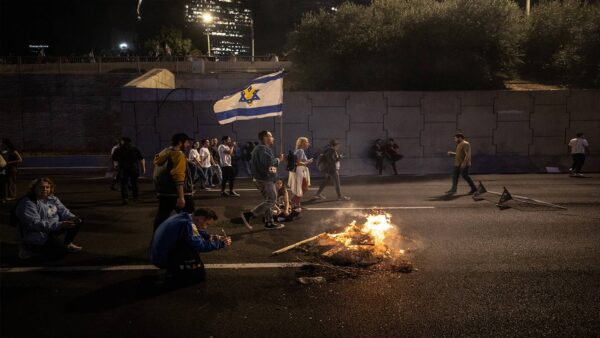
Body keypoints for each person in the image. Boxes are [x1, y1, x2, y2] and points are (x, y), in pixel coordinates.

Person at [150, 208, 231, 283]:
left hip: (156, 253)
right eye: (207, 224)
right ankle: (176, 272)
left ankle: (176, 270)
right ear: (201, 218)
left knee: (190, 241)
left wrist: (211, 237)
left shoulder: (184, 216)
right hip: (161, 259)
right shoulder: (187, 224)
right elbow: (200, 245)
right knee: (198, 270)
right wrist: (221, 244)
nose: (206, 227)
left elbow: (195, 230)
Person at [15, 177, 83, 260]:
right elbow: (35, 224)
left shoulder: (52, 199)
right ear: (34, 189)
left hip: (51, 228)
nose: (45, 189)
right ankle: (28, 248)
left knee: (77, 221)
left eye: (47, 187)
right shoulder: (28, 203)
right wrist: (61, 224)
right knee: (61, 253)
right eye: (41, 187)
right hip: (37, 233)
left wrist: (73, 218)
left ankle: (67, 243)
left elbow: (64, 211)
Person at [240, 130, 285, 230]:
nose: (273, 138)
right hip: (265, 179)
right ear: (265, 138)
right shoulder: (263, 149)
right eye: (271, 136)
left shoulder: (260, 149)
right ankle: (249, 214)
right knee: (272, 200)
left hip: (263, 178)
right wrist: (278, 159)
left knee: (268, 200)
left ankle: (269, 222)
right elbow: (268, 163)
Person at [153, 133, 195, 231]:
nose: (188, 145)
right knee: (190, 218)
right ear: (180, 142)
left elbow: (156, 175)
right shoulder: (178, 154)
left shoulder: (164, 152)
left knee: (161, 218)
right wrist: (181, 197)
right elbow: (179, 176)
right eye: (187, 142)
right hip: (179, 194)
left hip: (164, 194)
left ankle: (157, 240)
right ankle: (192, 241)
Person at [113, 137, 146, 205]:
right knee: (134, 183)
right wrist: (143, 168)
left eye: (121, 141)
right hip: (134, 168)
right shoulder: (135, 149)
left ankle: (125, 199)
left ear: (123, 142)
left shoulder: (118, 149)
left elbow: (114, 159)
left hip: (123, 169)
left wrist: (116, 166)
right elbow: (141, 159)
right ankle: (135, 198)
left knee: (124, 184)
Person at [288, 137, 313, 209]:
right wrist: (308, 162)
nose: (308, 143)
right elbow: (298, 163)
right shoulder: (300, 151)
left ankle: (296, 204)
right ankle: (291, 201)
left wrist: (306, 161)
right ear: (302, 143)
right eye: (306, 142)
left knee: (300, 188)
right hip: (299, 171)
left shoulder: (297, 150)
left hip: (298, 170)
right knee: (304, 188)